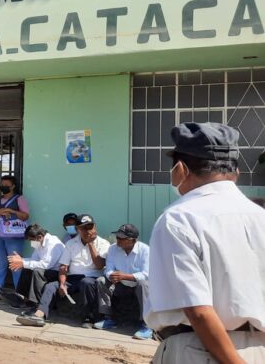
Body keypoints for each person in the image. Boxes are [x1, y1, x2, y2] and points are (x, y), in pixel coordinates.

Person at [147, 122, 265, 363]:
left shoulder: (178, 218)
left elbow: (198, 311)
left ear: (180, 169)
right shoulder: (260, 216)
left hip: (200, 350)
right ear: (236, 171)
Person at [17, 214, 110, 328]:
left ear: (94, 227)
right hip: (73, 278)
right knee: (51, 286)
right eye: (83, 228)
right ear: (78, 229)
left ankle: (89, 317)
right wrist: (62, 283)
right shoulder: (71, 244)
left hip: (91, 278)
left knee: (86, 282)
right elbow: (63, 267)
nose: (87, 231)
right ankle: (39, 315)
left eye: (89, 227)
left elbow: (100, 265)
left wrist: (90, 244)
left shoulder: (103, 244)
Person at [93, 224, 151, 340]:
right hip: (120, 284)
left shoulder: (145, 250)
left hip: (138, 285)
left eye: (121, 238)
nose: (118, 240)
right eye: (117, 237)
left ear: (133, 240)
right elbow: (108, 269)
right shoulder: (113, 248)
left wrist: (125, 276)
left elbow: (146, 274)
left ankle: (147, 325)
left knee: (143, 284)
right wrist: (112, 276)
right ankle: (108, 318)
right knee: (101, 280)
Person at [0, 175, 30, 300]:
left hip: (14, 236)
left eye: (6, 185)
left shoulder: (19, 199)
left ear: (13, 186)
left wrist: (12, 211)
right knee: (1, 263)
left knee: (15, 263)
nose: (3, 187)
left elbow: (25, 216)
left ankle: (19, 291)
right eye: (2, 184)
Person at [7, 224, 65, 312]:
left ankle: (36, 304)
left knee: (37, 271)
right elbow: (34, 259)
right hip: (47, 269)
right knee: (27, 268)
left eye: (31, 240)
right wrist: (21, 260)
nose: (31, 242)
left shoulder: (52, 243)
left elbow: (46, 265)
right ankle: (26, 301)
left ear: (39, 237)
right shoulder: (39, 242)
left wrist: (23, 263)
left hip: (57, 272)